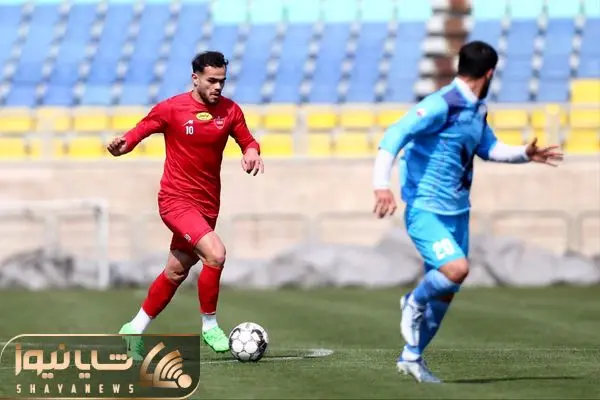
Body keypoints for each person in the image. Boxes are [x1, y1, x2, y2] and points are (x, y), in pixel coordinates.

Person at [371, 41, 564, 383]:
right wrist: (381, 185)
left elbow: (489, 148)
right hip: (426, 210)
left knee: (445, 292)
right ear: (489, 73)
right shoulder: (442, 104)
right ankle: (412, 301)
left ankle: (412, 357)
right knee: (457, 269)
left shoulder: (477, 109)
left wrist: (524, 153)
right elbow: (395, 133)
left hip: (458, 214)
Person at [107, 51, 264, 359]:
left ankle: (133, 329)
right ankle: (210, 326)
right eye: (212, 80)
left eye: (222, 81)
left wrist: (251, 151)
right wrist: (120, 146)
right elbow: (135, 135)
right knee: (216, 254)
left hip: (208, 206)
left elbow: (247, 140)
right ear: (195, 78)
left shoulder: (230, 111)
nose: (218, 87)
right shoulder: (172, 109)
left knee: (175, 272)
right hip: (175, 201)